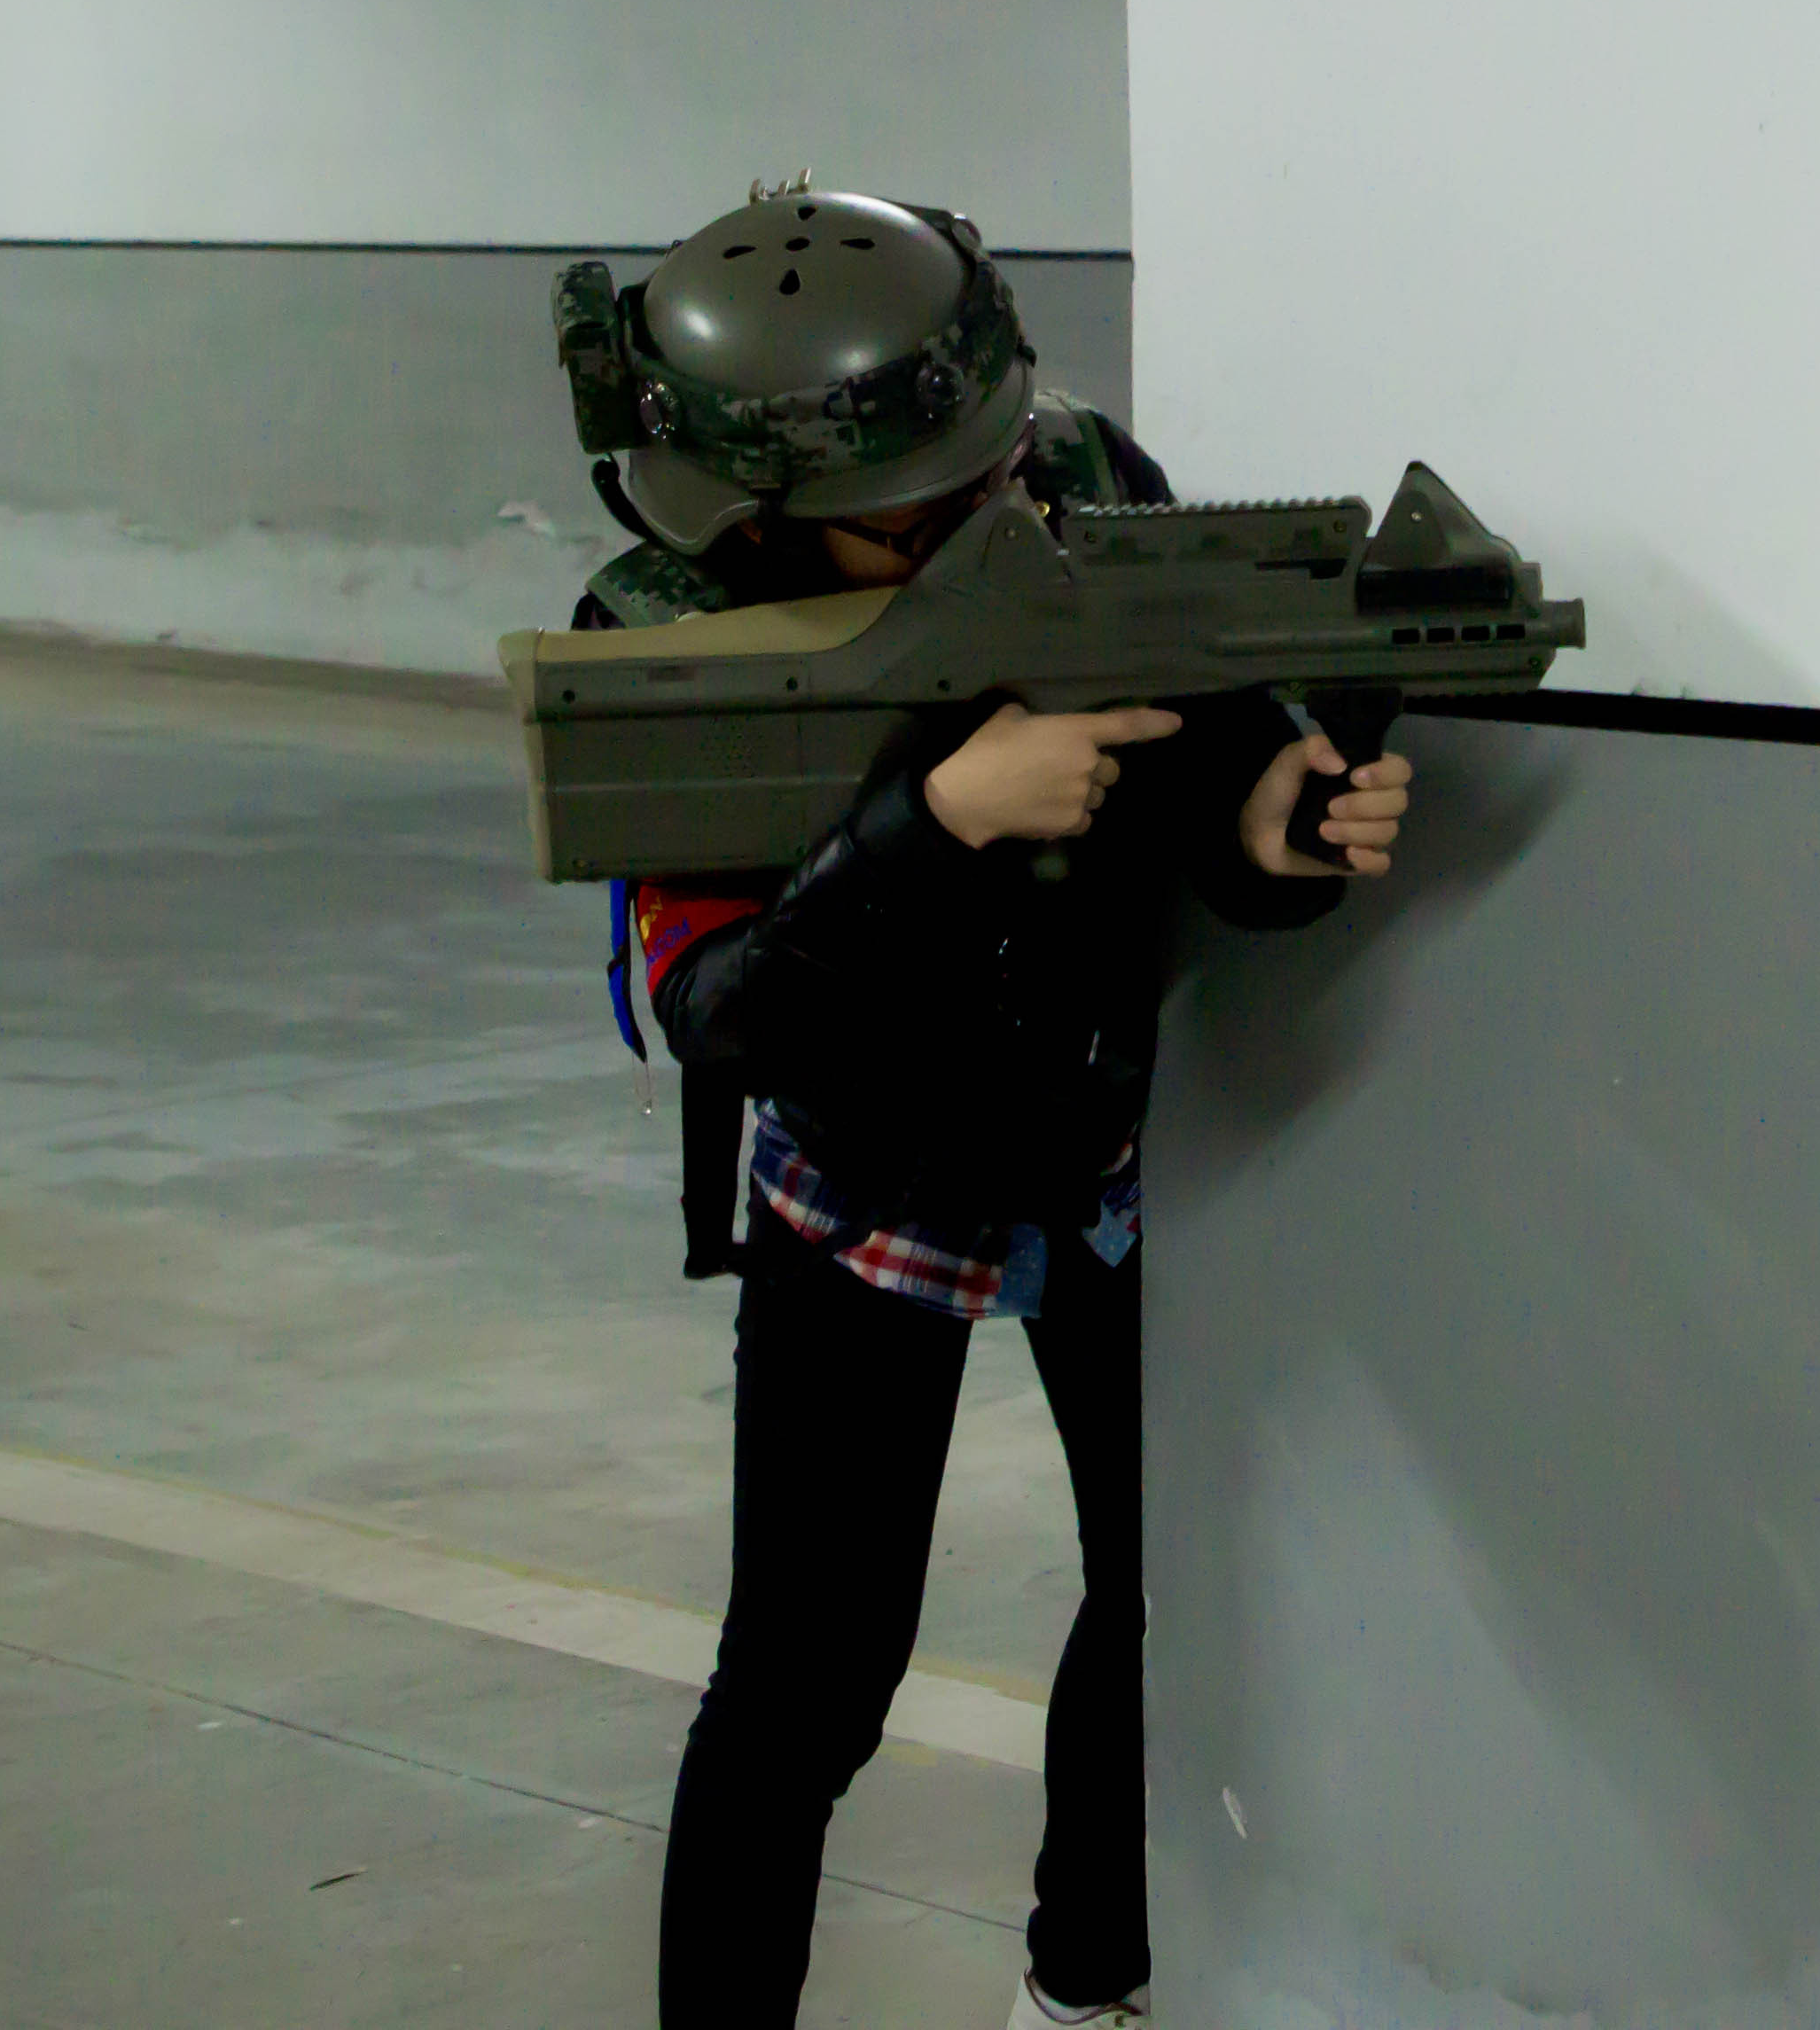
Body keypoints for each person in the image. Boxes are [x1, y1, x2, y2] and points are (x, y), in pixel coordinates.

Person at [559, 184, 1415, 2030]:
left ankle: (1084, 1988)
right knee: (804, 1688)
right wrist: (935, 820)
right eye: (915, 518)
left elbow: (1202, 753)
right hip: (862, 1176)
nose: (985, 528)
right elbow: (721, 1010)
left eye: (990, 474)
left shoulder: (1074, 475)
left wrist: (1272, 832)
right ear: (760, 516)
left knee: (1161, 1597)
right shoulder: (667, 638)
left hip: (1098, 1144)